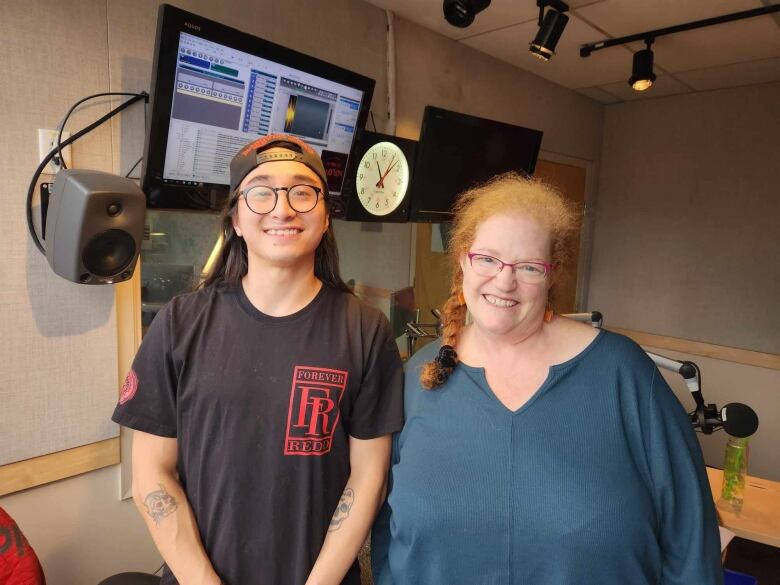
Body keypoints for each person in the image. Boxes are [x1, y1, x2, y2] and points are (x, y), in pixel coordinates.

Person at [371, 173, 722, 585]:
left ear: (552, 274)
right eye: (488, 258)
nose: (505, 280)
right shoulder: (420, 377)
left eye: (529, 267)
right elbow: (386, 533)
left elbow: (691, 543)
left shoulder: (623, 377)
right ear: (464, 260)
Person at [112, 134, 404, 585]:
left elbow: (368, 478)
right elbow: (152, 473)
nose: (283, 209)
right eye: (261, 192)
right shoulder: (180, 323)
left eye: (303, 192)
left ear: (326, 218)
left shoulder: (365, 330)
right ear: (236, 219)